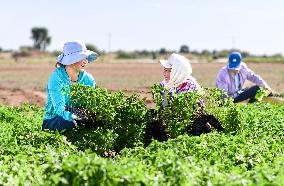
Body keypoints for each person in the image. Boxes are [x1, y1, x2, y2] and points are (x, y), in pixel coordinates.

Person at [42, 41, 98, 132]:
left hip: (78, 117)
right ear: (71, 60)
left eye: (86, 58)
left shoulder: (89, 80)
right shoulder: (56, 77)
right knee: (69, 124)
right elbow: (59, 109)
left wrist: (90, 117)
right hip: (54, 120)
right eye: (82, 58)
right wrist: (79, 116)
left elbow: (91, 106)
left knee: (99, 122)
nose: (85, 61)